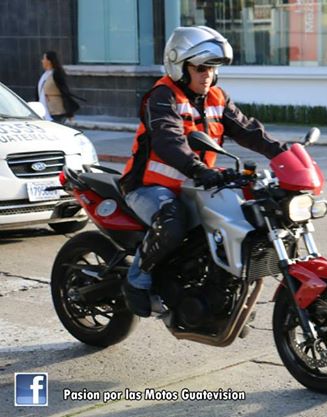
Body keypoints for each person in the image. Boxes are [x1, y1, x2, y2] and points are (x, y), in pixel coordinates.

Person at [119, 26, 286, 317]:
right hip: (148, 187)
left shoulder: (216, 98)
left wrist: (284, 153)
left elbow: (247, 130)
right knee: (172, 222)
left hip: (195, 185)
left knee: (244, 216)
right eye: (200, 68)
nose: (208, 74)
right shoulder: (162, 96)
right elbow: (168, 140)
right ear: (180, 66)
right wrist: (197, 169)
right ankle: (137, 279)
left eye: (212, 67)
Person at [37, 51, 81, 123]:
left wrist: (69, 113)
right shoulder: (45, 75)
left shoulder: (56, 74)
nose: (42, 61)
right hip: (45, 109)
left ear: (49, 61)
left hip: (56, 111)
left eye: (44, 59)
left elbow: (65, 91)